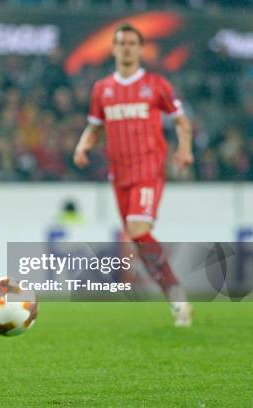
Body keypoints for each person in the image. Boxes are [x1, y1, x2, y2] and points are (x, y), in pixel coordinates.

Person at [73, 23, 194, 327]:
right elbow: (95, 126)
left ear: (140, 49)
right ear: (113, 49)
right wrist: (83, 146)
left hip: (148, 169)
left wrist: (185, 149)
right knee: (137, 240)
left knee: (139, 229)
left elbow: (181, 121)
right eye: (121, 43)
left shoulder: (156, 85)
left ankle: (176, 290)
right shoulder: (102, 89)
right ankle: (172, 293)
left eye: (131, 43)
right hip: (120, 174)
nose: (126, 47)